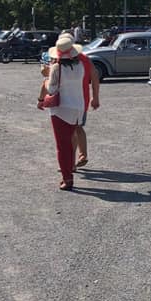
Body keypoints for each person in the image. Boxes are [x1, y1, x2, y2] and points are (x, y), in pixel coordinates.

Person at [38, 34, 86, 190]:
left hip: (61, 109)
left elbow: (51, 89)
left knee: (62, 145)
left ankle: (67, 178)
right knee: (69, 143)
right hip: (77, 107)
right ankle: (69, 170)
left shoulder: (57, 68)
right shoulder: (80, 66)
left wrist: (46, 77)